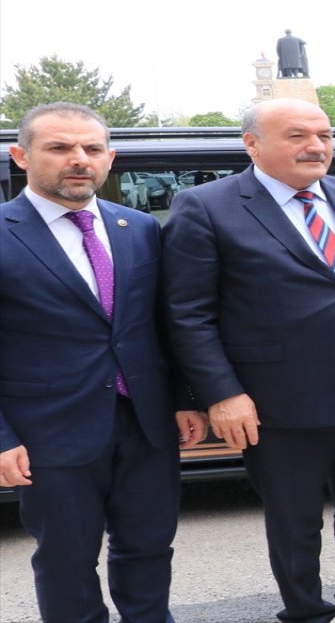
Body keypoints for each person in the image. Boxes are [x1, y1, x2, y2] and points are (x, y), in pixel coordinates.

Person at [163, 98, 335, 623]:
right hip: (276, 397)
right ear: (253, 144)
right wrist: (220, 392)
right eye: (298, 135)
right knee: (295, 516)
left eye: (324, 135)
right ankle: (305, 611)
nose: (316, 146)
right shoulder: (207, 206)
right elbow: (186, 313)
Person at [0, 102, 207, 622]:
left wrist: (183, 400)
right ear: (20, 156)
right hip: (48, 433)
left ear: (109, 158)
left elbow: (160, 325)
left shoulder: (137, 227)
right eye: (60, 147)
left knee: (149, 548)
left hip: (144, 423)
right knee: (67, 560)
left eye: (91, 149)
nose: (78, 159)